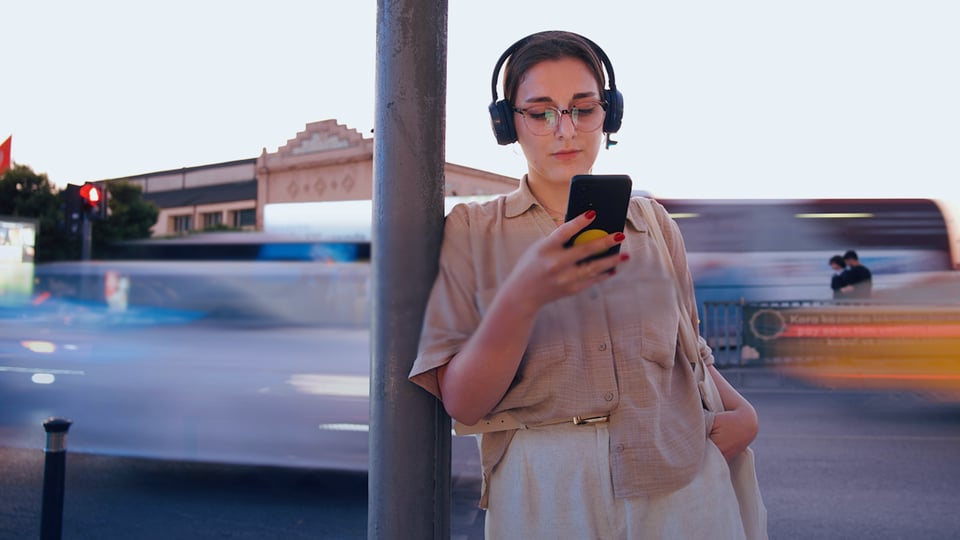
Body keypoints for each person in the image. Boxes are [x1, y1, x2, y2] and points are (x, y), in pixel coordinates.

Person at [409, 31, 759, 539]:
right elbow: (462, 401)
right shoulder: (472, 230)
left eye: (583, 108)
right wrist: (524, 295)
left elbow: (688, 352)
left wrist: (741, 411)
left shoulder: (656, 226)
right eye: (541, 111)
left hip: (678, 476)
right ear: (510, 124)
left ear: (608, 115)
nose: (565, 130)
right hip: (546, 487)